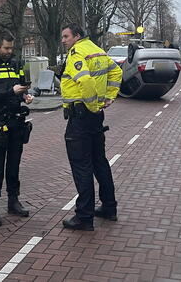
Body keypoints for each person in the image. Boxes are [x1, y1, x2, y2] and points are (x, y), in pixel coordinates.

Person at [60, 23, 123, 231]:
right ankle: (109, 207)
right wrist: (108, 98)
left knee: (81, 166)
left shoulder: (76, 54)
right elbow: (116, 73)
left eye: (66, 36)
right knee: (99, 162)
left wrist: (92, 105)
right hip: (96, 116)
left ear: (76, 36)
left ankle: (84, 216)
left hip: (81, 115)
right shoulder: (98, 50)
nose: (63, 40)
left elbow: (85, 81)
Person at [0, 30, 33, 227]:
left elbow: (20, 87)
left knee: (14, 164)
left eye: (11, 48)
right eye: (6, 48)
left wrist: (24, 96)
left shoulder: (16, 64)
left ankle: (13, 201)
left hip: (16, 121)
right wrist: (11, 91)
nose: (9, 51)